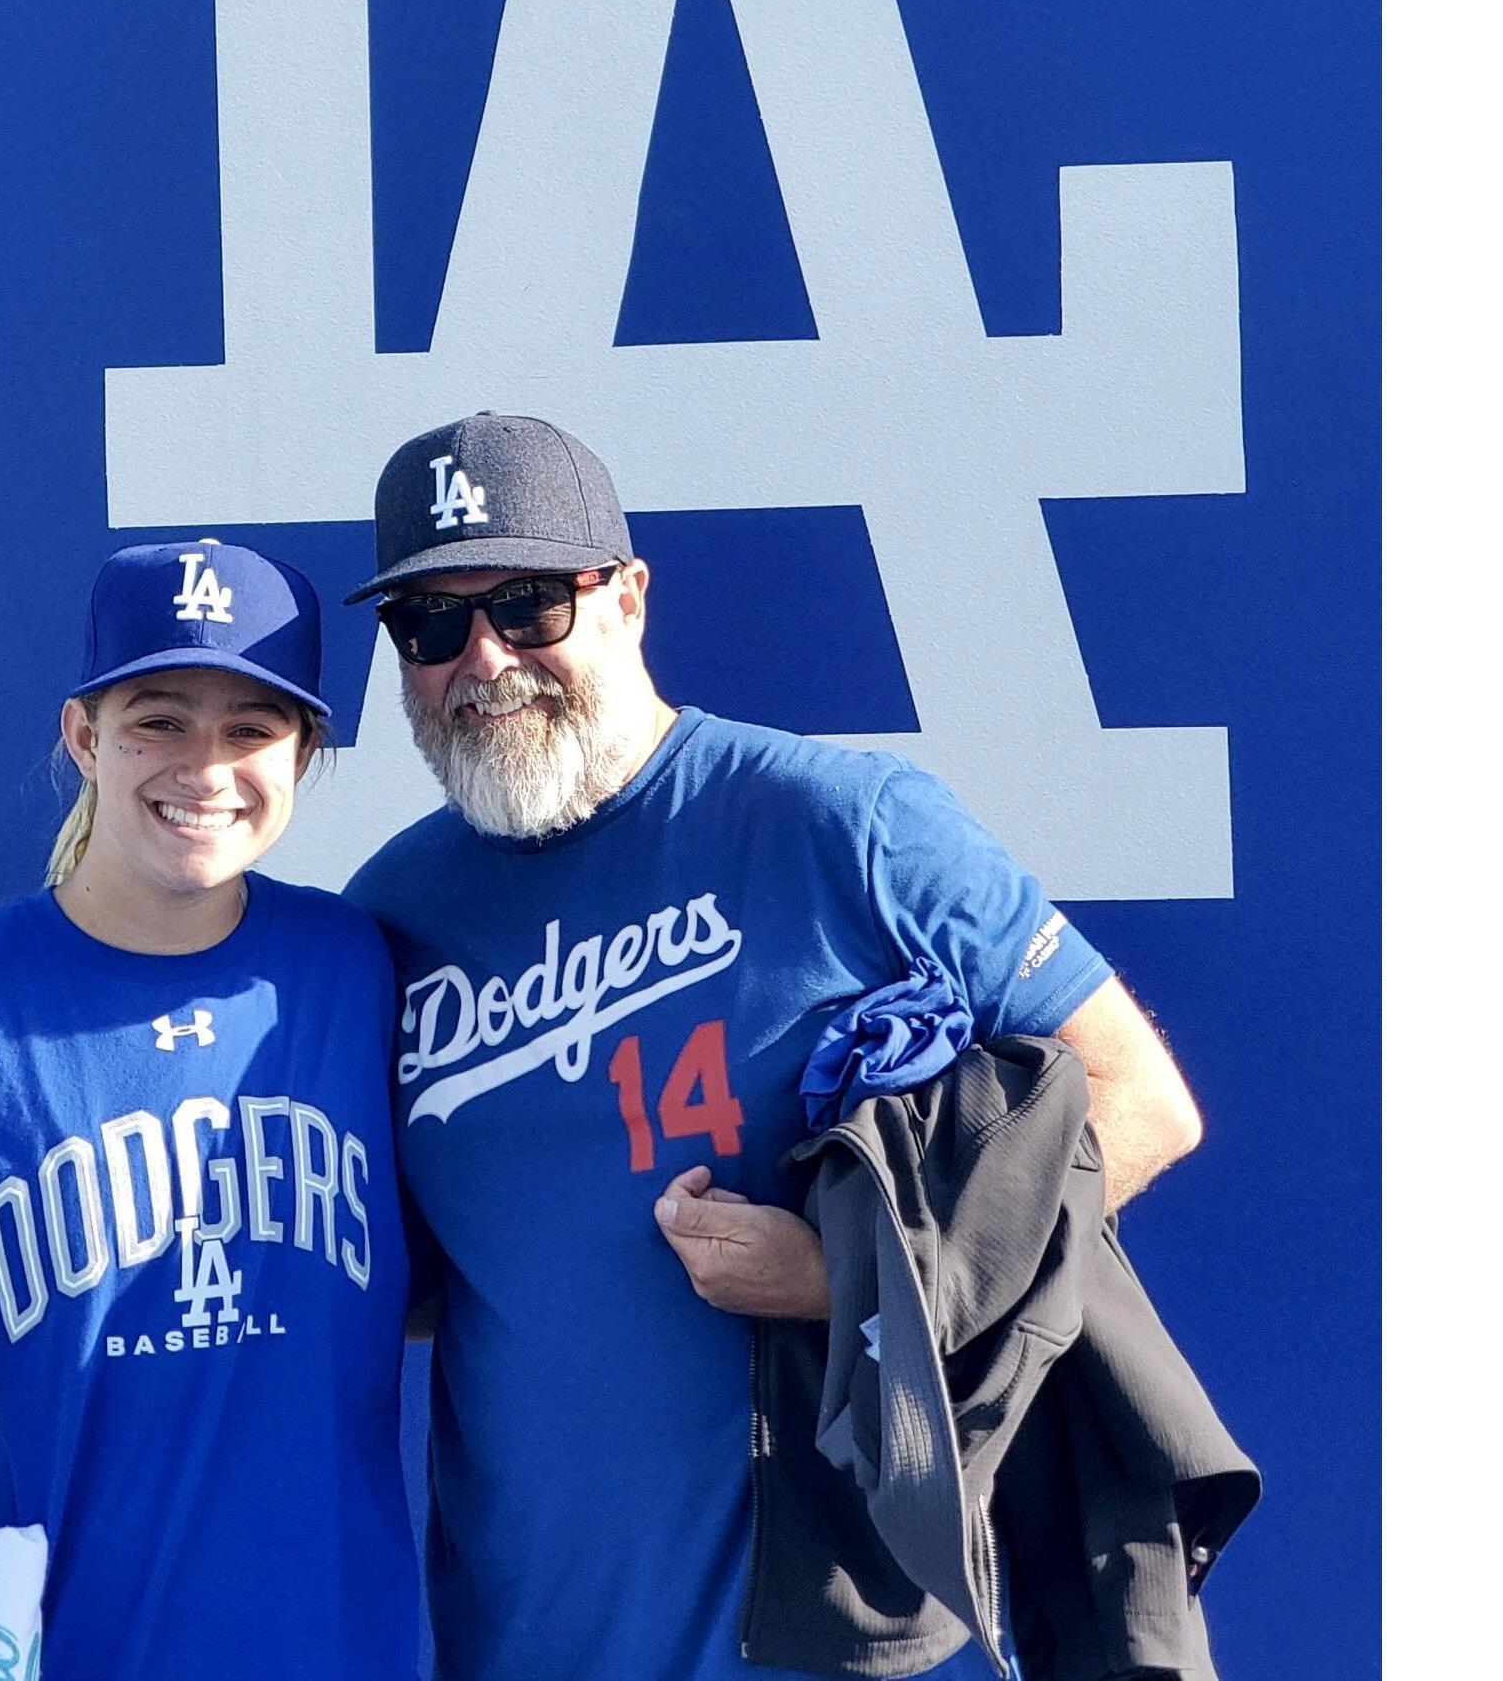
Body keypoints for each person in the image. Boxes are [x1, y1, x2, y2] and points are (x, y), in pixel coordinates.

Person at [341, 412, 1207, 1681]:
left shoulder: (845, 823)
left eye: (528, 606)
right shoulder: (393, 913)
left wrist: (856, 1277)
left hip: (840, 1637)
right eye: (430, 624)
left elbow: (1138, 1102)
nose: (483, 657)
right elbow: (416, 1275)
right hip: (522, 1641)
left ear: (626, 597)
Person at [0, 537, 420, 1681]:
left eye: (251, 727)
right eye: (159, 718)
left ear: (305, 751)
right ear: (82, 734)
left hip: (338, 1645)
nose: (206, 765)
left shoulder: (358, 969)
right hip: (56, 1646)